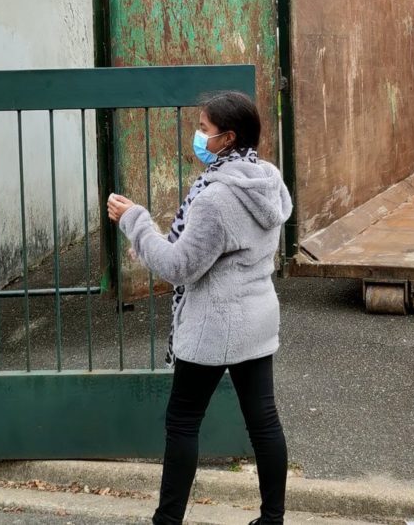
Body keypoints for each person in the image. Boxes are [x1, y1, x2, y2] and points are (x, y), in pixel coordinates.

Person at [107, 91, 292, 524]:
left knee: (184, 421)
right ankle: (273, 519)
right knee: (263, 422)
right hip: (258, 317)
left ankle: (166, 521)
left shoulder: (215, 198)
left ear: (227, 138)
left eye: (204, 130)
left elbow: (179, 266)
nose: (197, 136)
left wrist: (135, 221)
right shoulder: (266, 179)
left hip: (215, 323)